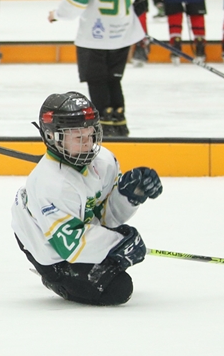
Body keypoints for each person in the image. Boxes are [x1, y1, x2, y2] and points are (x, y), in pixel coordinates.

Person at [11, 91, 159, 307]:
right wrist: (117, 245)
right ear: (52, 136)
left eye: (90, 135)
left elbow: (103, 217)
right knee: (117, 289)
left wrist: (128, 196)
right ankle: (53, 277)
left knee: (112, 265)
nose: (88, 144)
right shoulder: (49, 184)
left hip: (75, 230)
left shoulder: (104, 161)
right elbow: (69, 246)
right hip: (47, 245)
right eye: (78, 138)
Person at [49, 0, 144, 137]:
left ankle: (102, 125)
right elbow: (140, 1)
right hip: (122, 35)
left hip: (94, 35)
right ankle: (119, 122)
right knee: (114, 80)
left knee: (97, 81)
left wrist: (57, 14)